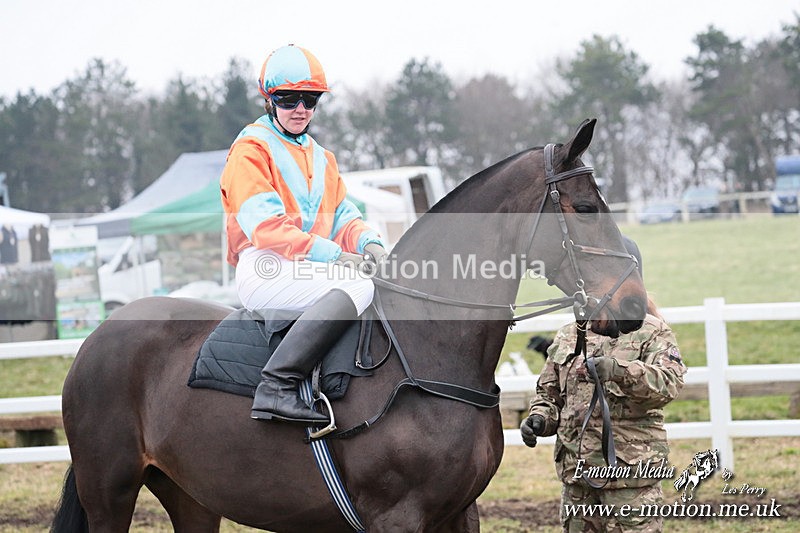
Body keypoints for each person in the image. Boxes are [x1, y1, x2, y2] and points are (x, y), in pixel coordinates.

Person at [220, 44, 386, 425]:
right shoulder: (250, 150)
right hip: (266, 266)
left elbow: (343, 214)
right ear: (268, 100)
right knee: (359, 287)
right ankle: (276, 385)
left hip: (306, 266)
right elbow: (266, 229)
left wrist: (368, 242)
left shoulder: (321, 156)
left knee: (377, 280)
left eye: (310, 99)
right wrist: (337, 257)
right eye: (288, 98)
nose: (300, 108)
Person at [520, 242, 685, 532]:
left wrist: (617, 371)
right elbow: (549, 394)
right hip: (578, 478)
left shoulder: (652, 331)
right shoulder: (570, 333)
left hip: (630, 478)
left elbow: (668, 384)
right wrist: (540, 419)